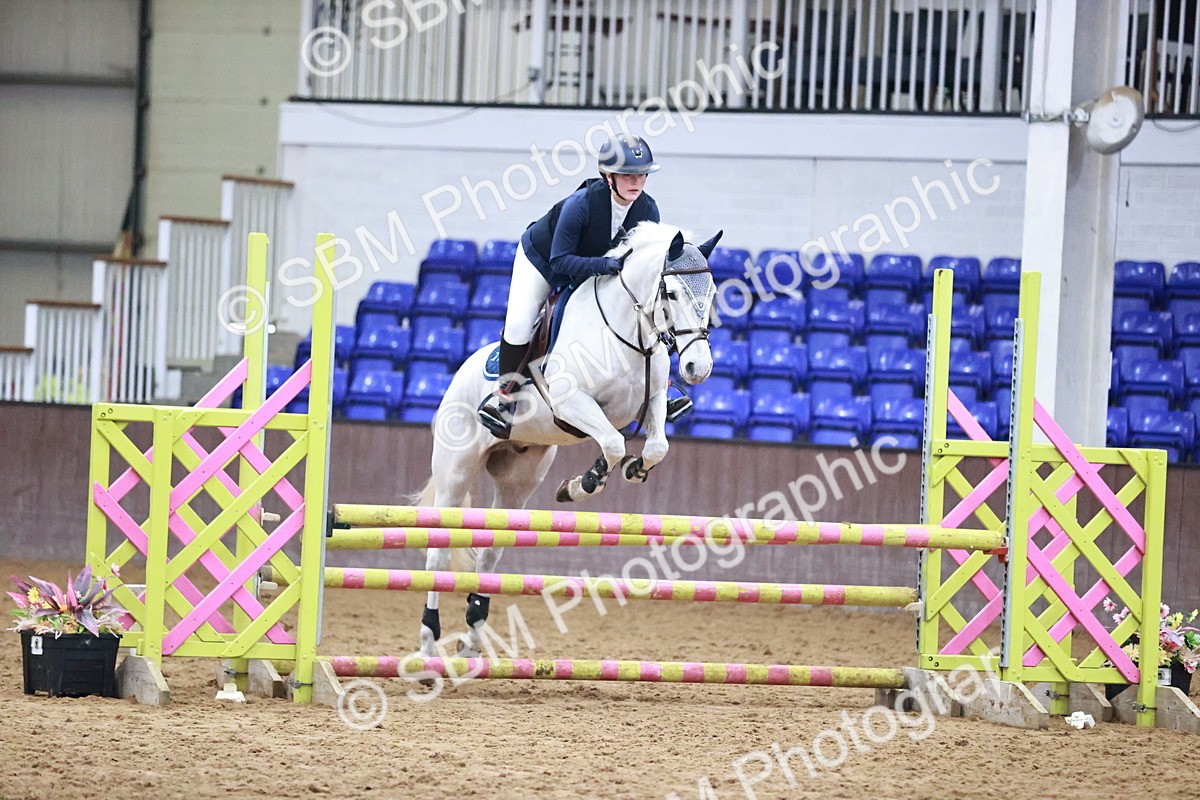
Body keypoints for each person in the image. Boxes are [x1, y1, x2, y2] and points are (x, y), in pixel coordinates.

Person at [478, 133, 690, 439]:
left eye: (642, 174)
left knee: (648, 311)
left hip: (595, 267)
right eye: (627, 174)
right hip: (543, 259)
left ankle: (660, 389)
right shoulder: (581, 205)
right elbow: (559, 261)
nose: (637, 182)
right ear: (608, 176)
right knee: (519, 324)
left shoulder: (648, 210)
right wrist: (603, 266)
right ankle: (504, 398)